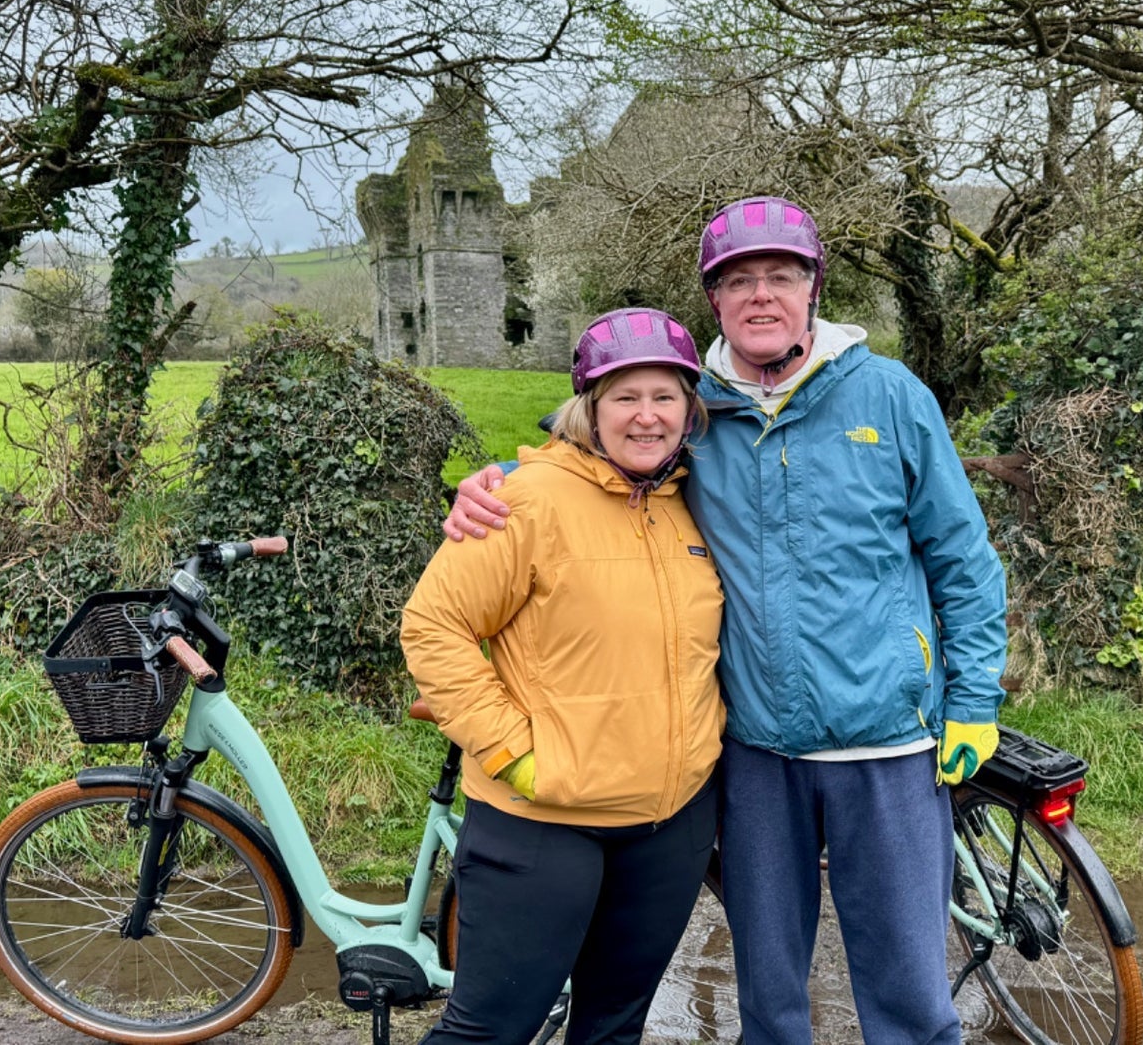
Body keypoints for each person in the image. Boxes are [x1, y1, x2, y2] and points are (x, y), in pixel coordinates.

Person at [444, 196, 1008, 1044]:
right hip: (752, 753)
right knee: (769, 999)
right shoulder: (694, 408)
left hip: (887, 739)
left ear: (813, 287)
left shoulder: (890, 396)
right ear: (714, 300)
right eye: (739, 281)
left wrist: (974, 698)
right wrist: (491, 481)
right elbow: (593, 454)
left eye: (781, 275)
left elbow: (962, 558)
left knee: (910, 999)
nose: (761, 296)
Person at [402, 307, 726, 1045]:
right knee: (490, 1031)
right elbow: (434, 626)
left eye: (665, 397)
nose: (646, 417)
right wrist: (510, 750)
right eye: (624, 397)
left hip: (668, 825)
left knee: (613, 1027)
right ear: (589, 407)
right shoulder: (525, 500)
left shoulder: (698, 503)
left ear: (689, 407)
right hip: (544, 823)